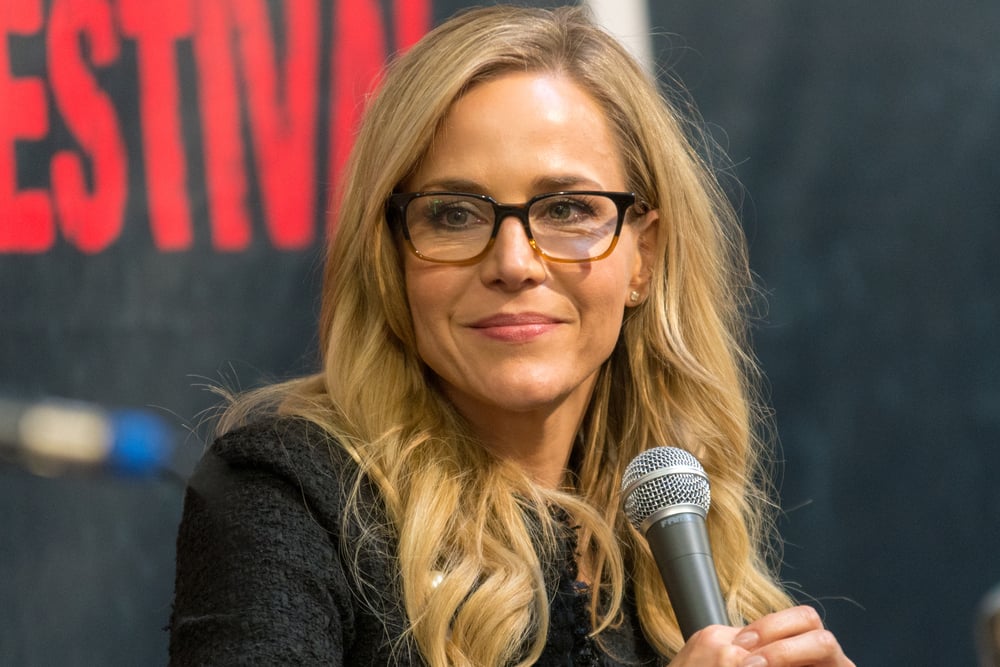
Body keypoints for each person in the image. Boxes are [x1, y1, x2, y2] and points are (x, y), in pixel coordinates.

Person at [169, 5, 854, 666]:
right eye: (454, 214)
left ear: (642, 257)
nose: (514, 262)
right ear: (390, 257)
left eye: (567, 209)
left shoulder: (669, 527)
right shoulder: (288, 495)